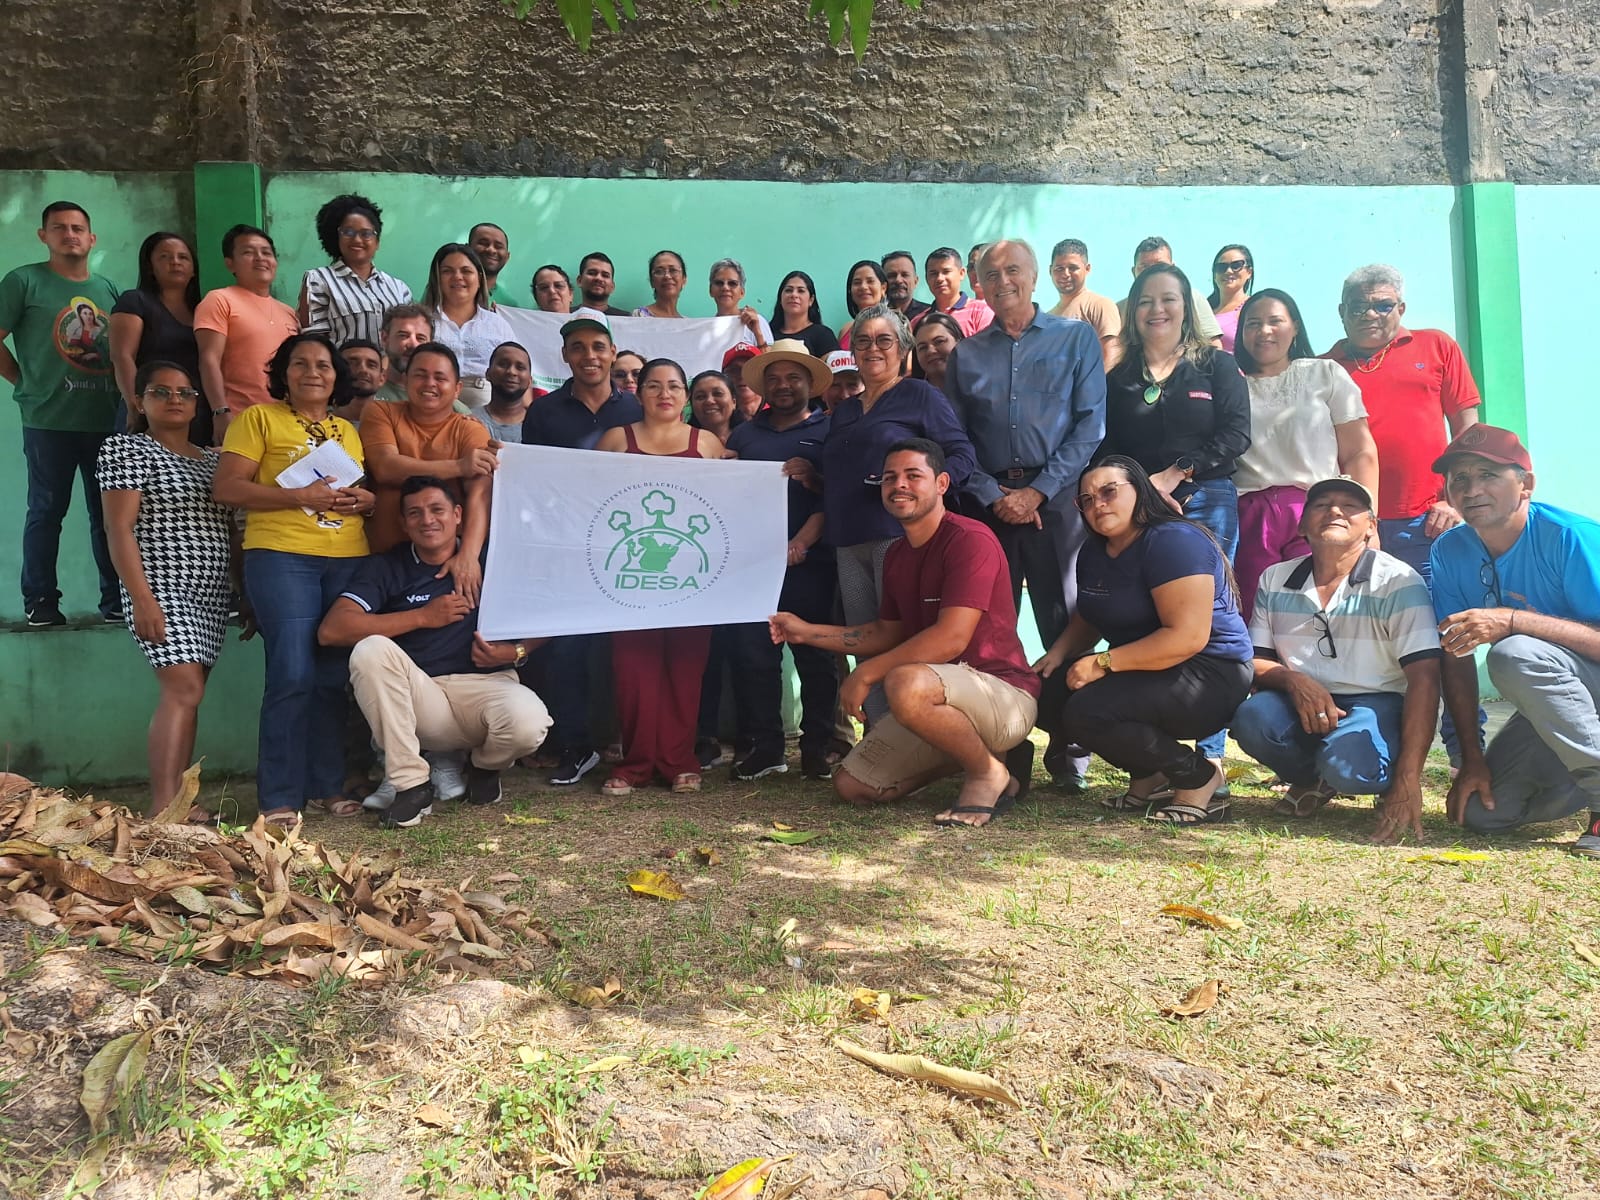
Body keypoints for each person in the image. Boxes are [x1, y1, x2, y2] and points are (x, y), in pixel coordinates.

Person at [771, 439, 1039, 827]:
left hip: (1003, 693)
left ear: (942, 483)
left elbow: (952, 638)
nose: (900, 485)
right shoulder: (897, 554)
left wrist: (865, 672)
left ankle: (986, 773)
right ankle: (992, 759)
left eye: (914, 476)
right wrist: (807, 632)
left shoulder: (970, 539)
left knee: (904, 683)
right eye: (890, 478)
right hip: (940, 698)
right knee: (853, 785)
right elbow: (885, 633)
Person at [947, 238, 1108, 791]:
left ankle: (1070, 746)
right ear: (980, 286)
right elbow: (958, 440)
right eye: (991, 275)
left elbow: (1091, 424)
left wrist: (1038, 491)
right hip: (990, 507)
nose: (1003, 281)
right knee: (991, 627)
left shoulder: (1075, 338)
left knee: (1062, 621)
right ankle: (1005, 751)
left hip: (1057, 503)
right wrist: (994, 493)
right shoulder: (967, 354)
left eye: (1013, 270)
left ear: (1033, 278)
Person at [318, 475, 551, 828]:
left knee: (530, 723)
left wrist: (515, 651)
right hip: (422, 696)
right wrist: (422, 617)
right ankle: (411, 786)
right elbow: (333, 630)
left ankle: (484, 768)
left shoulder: (492, 558)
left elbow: (551, 615)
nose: (427, 520)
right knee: (370, 650)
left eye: (437, 509)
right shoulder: (388, 566)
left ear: (458, 514)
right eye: (415, 513)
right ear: (404, 523)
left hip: (486, 689)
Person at [212, 332, 375, 827]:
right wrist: (300, 496)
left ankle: (326, 785)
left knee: (330, 677)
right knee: (291, 674)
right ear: (283, 373)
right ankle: (280, 795)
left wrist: (364, 501)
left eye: (323, 365)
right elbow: (227, 488)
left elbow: (357, 491)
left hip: (346, 557)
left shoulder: (346, 429)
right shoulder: (257, 419)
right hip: (282, 557)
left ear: (335, 377)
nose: (312, 372)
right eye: (300, 364)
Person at [1036, 457, 1252, 824]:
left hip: (1210, 672)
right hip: (1146, 669)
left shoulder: (1175, 541)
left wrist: (1101, 663)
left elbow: (1186, 637)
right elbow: (1091, 613)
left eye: (1109, 492)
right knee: (1046, 693)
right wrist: (1055, 655)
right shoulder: (1094, 550)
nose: (1097, 504)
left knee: (1089, 710)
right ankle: (1150, 777)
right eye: (1086, 500)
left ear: (1142, 491)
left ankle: (1197, 777)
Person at [788, 303, 976, 723]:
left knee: (907, 641)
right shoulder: (847, 411)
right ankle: (879, 737)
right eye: (863, 341)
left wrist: (926, 497)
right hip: (848, 542)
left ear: (903, 348)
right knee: (865, 643)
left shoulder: (919, 395)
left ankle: (920, 733)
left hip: (900, 539)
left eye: (884, 340)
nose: (873, 348)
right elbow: (844, 476)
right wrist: (814, 477)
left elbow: (960, 456)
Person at [1325, 263, 1482, 758]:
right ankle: (1348, 755)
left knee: (1447, 640)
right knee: (1351, 641)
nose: (1370, 314)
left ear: (1401, 308)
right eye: (1359, 306)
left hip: (1426, 523)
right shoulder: (1327, 366)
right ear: (1342, 312)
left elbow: (1469, 434)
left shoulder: (1436, 347)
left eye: (1383, 304)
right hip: (1353, 529)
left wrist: (1451, 500)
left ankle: (1465, 756)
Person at [1233, 476, 1441, 839]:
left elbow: (1425, 677)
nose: (1334, 511)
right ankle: (1311, 780)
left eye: (1350, 506)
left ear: (1371, 527)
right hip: (1300, 701)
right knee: (1252, 718)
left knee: (1350, 768)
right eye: (1321, 504)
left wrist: (1409, 778)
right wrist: (1295, 681)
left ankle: (1370, 775)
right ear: (1302, 525)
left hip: (1377, 702)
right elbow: (1257, 660)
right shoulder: (1275, 579)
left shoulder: (1398, 581)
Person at [1103, 262, 1249, 773]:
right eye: (1145, 300)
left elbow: (1235, 435)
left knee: (1205, 626)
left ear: (1188, 307)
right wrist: (1136, 492)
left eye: (1169, 299)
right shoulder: (1119, 378)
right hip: (1140, 515)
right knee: (1150, 621)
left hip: (1205, 502)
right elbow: (1110, 449)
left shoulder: (1216, 366)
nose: (1157, 309)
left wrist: (1176, 474)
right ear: (1132, 310)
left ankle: (1208, 757)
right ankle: (1158, 757)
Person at [1428, 425, 1600, 858]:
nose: (1471, 489)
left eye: (1488, 475)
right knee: (1483, 812)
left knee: (1513, 652)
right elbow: (1455, 658)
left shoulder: (1569, 535)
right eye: (1459, 479)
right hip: (1569, 706)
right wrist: (1471, 757)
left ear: (1526, 484)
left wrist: (1513, 619)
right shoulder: (1450, 551)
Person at [98, 360, 234, 816]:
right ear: (139, 401)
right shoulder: (126, 450)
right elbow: (118, 529)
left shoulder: (215, 459)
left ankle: (179, 801)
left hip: (212, 593)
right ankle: (162, 808)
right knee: (183, 691)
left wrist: (243, 591)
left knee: (191, 692)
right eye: (162, 392)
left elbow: (232, 531)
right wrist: (141, 598)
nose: (176, 400)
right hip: (160, 585)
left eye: (185, 393)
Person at [702, 343, 839, 781]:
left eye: (793, 377)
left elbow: (836, 498)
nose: (783, 386)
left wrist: (801, 535)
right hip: (753, 567)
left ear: (808, 383)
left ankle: (818, 748)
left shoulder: (829, 430)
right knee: (753, 657)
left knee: (814, 658)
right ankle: (766, 748)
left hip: (809, 564)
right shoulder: (745, 435)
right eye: (774, 379)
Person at [521, 309, 643, 786]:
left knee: (624, 647)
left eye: (598, 346)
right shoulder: (544, 411)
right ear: (565, 356)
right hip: (566, 545)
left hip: (625, 545)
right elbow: (532, 479)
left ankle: (625, 740)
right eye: (578, 348)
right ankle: (575, 746)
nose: (589, 356)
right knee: (567, 647)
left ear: (612, 353)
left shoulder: (637, 407)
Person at [595, 358, 726, 795]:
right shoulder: (616, 440)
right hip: (628, 579)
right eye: (654, 386)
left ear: (686, 396)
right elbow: (586, 498)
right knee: (632, 669)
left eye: (673, 386)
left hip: (691, 578)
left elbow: (727, 505)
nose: (664, 394)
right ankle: (635, 764)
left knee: (685, 669)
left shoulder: (706, 442)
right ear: (639, 393)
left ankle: (678, 761)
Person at [0, 200, 123, 626]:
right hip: (48, 422)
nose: (69, 235)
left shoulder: (107, 289)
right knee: (47, 511)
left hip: (105, 422)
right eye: (59, 228)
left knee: (108, 516)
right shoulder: (23, 282)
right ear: (44, 236)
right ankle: (41, 602)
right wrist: (24, 382)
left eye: (77, 228)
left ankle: (115, 602)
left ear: (92, 238)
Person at [1232, 288, 1378, 619]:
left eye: (1275, 321)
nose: (1264, 331)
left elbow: (1359, 451)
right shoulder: (1231, 386)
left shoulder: (1324, 374)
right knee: (1258, 617)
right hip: (1252, 517)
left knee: (1323, 611)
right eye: (1253, 323)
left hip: (1318, 510)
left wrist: (1368, 521)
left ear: (1295, 326)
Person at [358, 341, 495, 600]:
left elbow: (480, 494)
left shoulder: (469, 429)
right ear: (405, 380)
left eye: (440, 377)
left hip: (445, 562)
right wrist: (458, 466)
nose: (429, 383)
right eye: (420, 375)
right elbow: (386, 467)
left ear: (457, 390)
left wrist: (468, 556)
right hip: (384, 562)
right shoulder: (381, 411)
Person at [195, 224, 300, 444]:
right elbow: (209, 359)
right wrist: (220, 411)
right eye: (248, 252)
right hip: (241, 419)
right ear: (230, 263)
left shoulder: (289, 312)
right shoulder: (219, 300)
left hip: (287, 423)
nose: (260, 258)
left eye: (266, 252)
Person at [110, 232, 204, 441]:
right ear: (150, 267)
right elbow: (122, 356)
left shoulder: (204, 310)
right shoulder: (135, 301)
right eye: (165, 257)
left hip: (193, 411)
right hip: (148, 411)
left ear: (193, 270)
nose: (175, 262)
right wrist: (135, 405)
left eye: (183, 257)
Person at [297, 194, 412, 347]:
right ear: (335, 237)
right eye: (348, 232)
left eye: (366, 234)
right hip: (343, 370)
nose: (357, 240)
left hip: (391, 371)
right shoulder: (318, 280)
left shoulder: (399, 288)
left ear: (377, 242)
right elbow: (314, 343)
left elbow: (410, 338)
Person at [420, 243, 515, 407]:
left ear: (479, 278)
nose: (457, 276)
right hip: (430, 403)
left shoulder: (497, 324)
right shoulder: (422, 322)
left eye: (466, 271)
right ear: (437, 279)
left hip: (488, 408)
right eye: (447, 271)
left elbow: (519, 368)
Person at [1123, 237, 1223, 345]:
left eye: (1160, 265)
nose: (1152, 272)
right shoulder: (1121, 308)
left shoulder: (1193, 298)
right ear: (1134, 272)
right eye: (1145, 267)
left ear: (1173, 267)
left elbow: (1213, 344)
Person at [1047, 238, 1122, 368]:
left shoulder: (1100, 305)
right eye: (1059, 268)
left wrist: (1091, 388)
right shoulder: (1048, 318)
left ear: (1087, 269)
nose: (1065, 274)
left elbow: (1111, 358)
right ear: (1050, 271)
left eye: (1073, 268)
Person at [918, 247, 993, 336]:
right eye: (933, 273)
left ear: (961, 273)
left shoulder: (981, 312)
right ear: (926, 278)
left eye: (946, 272)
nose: (939, 278)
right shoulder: (918, 321)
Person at [769, 270, 839, 358]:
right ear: (780, 298)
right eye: (788, 290)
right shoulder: (768, 333)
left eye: (801, 291)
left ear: (811, 300)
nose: (794, 295)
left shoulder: (823, 335)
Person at [477, 341, 535, 442]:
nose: (511, 372)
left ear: (529, 381)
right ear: (488, 373)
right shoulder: (469, 421)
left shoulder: (540, 426)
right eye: (503, 364)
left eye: (520, 367)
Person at [375, 304, 434, 403]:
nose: (413, 344)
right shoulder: (368, 392)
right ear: (385, 338)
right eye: (403, 336)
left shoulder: (444, 401)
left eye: (420, 338)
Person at [708, 258, 773, 347]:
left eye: (732, 283)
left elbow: (770, 359)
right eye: (719, 283)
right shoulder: (706, 329)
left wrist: (757, 332)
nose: (725, 288)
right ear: (710, 291)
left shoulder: (756, 322)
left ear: (742, 292)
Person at [1206, 244, 1253, 353]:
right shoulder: (1203, 311)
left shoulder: (1253, 309)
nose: (1228, 271)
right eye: (1221, 267)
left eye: (1236, 265)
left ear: (1249, 272)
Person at [911, 311, 964, 394]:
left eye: (939, 341)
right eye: (923, 347)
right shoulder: (909, 396)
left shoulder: (983, 388)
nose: (931, 351)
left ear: (959, 342)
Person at [338, 338, 385, 426]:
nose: (363, 370)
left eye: (371, 365)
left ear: (382, 378)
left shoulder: (394, 421)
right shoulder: (317, 420)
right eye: (352, 363)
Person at [839, 260, 888, 344]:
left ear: (883, 288)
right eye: (857, 283)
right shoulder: (846, 329)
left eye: (870, 281)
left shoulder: (897, 325)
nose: (863, 287)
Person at [687, 368, 740, 445]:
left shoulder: (751, 438)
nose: (709, 401)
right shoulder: (680, 442)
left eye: (718, 394)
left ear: (734, 402)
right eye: (700, 396)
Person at [469, 223, 515, 307]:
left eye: (498, 246)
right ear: (467, 248)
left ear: (507, 257)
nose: (491, 250)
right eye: (483, 243)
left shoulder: (510, 306)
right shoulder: (446, 291)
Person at [635, 250, 688, 318]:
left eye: (673, 270)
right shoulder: (640, 316)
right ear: (652, 281)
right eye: (659, 272)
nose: (667, 276)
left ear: (684, 279)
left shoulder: (688, 324)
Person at [881, 251, 931, 323]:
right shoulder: (873, 316)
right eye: (892, 275)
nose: (898, 280)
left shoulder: (929, 315)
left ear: (915, 281)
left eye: (905, 275)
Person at [576, 251, 629, 316]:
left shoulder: (626, 319)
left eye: (605, 275)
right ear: (579, 281)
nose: (598, 278)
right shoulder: (567, 315)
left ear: (612, 286)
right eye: (592, 273)